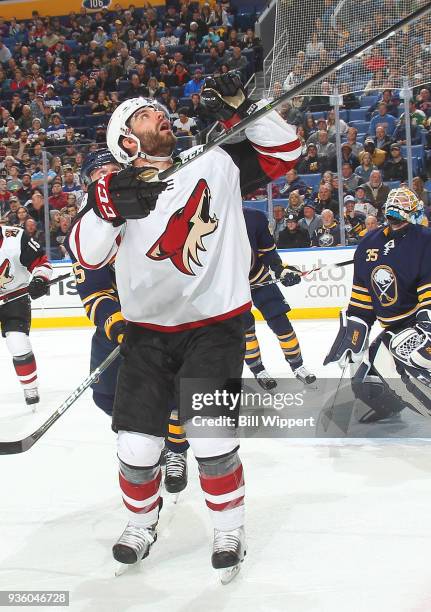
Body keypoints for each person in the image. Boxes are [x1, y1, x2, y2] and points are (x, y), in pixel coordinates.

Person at [67, 76, 302, 575]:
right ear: (126, 141)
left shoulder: (213, 160)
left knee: (211, 439)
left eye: (159, 107)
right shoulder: (116, 190)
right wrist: (108, 206)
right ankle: (140, 523)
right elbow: (86, 254)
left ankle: (229, 530)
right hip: (148, 334)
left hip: (214, 327)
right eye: (145, 113)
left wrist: (248, 109)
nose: (160, 113)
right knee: (136, 445)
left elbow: (286, 153)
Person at [66, 149, 190, 495]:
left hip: (164, 319)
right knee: (106, 395)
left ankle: (176, 448)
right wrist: (119, 325)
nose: (105, 174)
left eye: (111, 168)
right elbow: (93, 292)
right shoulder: (85, 227)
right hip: (119, 326)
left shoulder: (155, 209)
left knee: (176, 389)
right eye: (96, 172)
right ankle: (152, 436)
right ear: (87, 185)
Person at [324, 186, 431, 424]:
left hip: (420, 321)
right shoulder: (368, 244)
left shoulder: (425, 239)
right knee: (363, 384)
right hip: (397, 326)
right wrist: (354, 336)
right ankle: (392, 406)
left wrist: (427, 329)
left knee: (414, 359)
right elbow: (362, 303)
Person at [243, 207, 315, 389]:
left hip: (259, 277)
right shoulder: (211, 219)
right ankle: (258, 370)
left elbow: (267, 252)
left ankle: (298, 366)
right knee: (246, 330)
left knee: (281, 322)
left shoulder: (254, 217)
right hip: (232, 287)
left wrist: (280, 269)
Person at [0, 222, 52, 405]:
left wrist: (39, 278)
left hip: (14, 298)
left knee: (17, 341)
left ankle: (30, 388)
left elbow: (42, 262)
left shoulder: (15, 238)